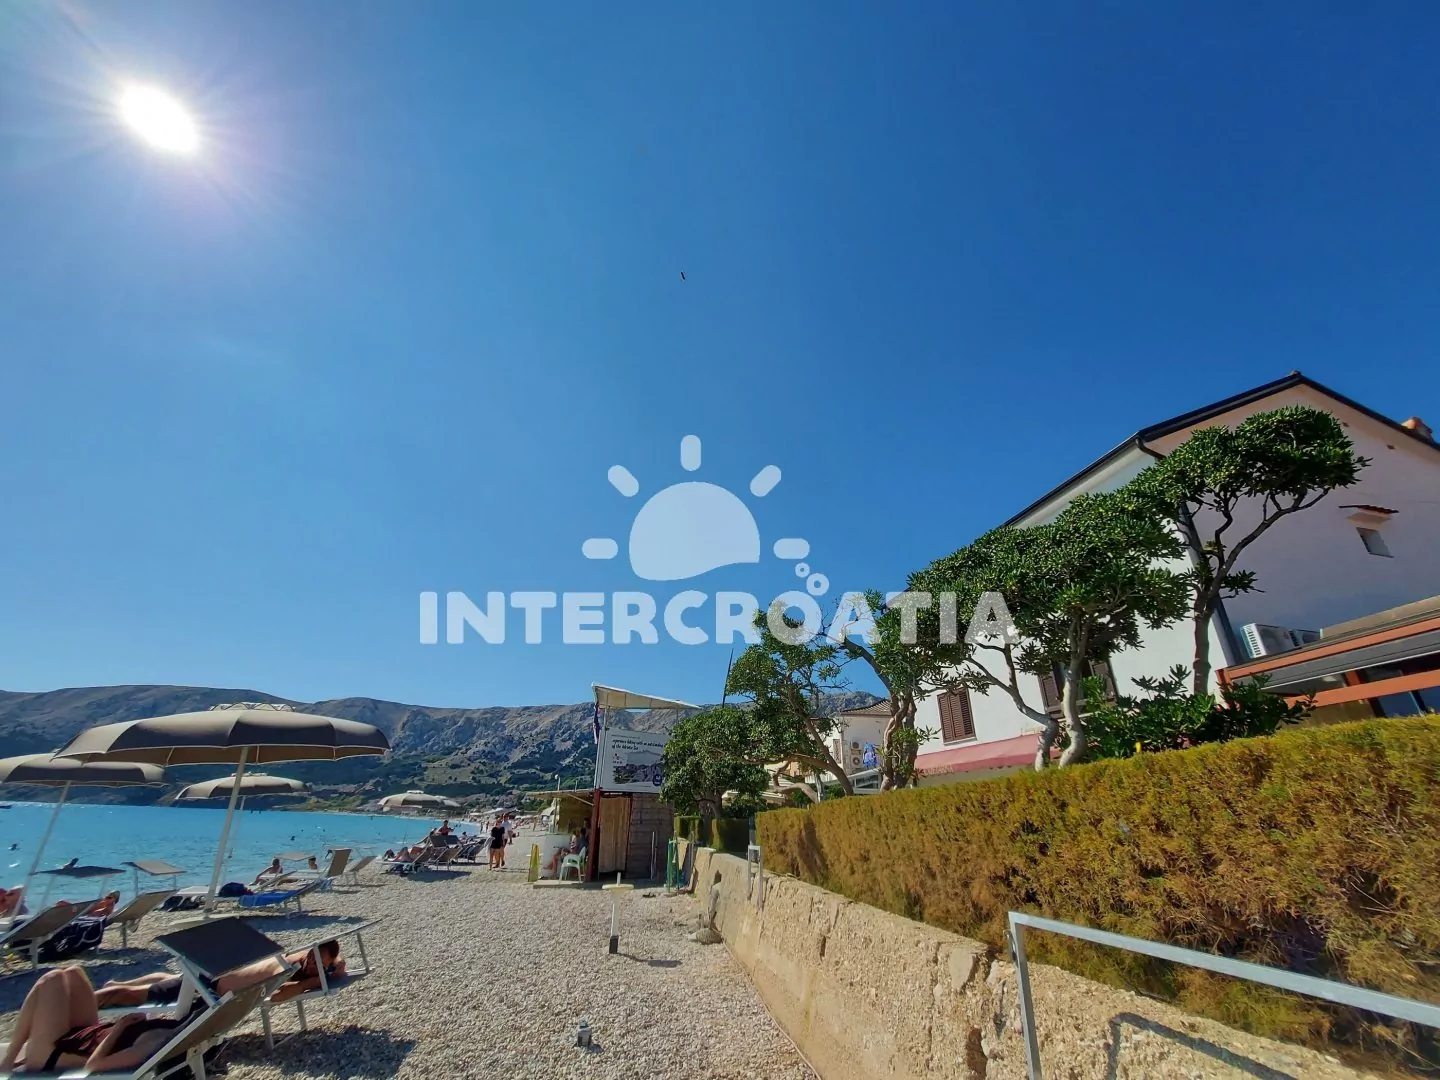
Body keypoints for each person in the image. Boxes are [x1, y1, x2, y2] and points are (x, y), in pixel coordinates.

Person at [0, 966, 199, 1074]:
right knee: (73, 972)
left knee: (51, 979)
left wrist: (119, 1028)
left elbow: (93, 1066)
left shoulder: (155, 1043)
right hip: (84, 1036)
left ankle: (8, 1062)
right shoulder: (174, 1028)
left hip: (52, 1055)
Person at [96, 940, 345, 1009]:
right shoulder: (285, 968)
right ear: (309, 955)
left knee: (172, 979)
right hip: (207, 990)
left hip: (217, 976)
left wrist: (336, 965)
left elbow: (335, 958)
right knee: (131, 995)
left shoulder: (305, 957)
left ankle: (116, 982)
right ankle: (96, 999)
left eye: (322, 966)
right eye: (315, 963)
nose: (316, 968)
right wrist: (311, 982)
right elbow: (278, 997)